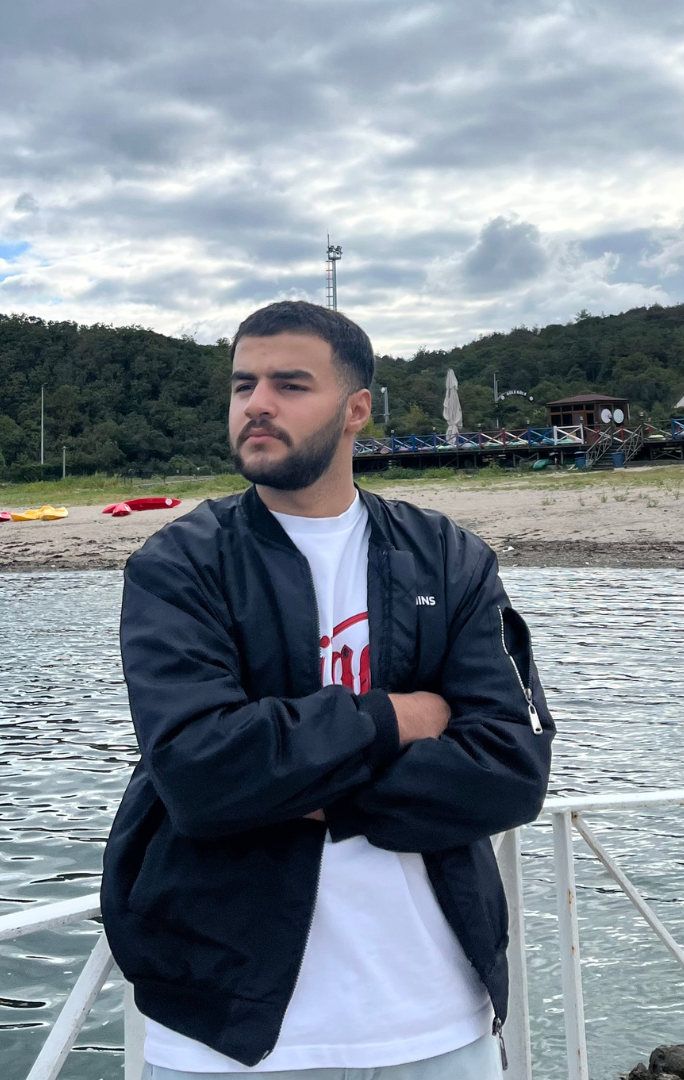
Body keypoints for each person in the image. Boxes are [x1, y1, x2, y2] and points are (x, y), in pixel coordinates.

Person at [101, 300, 554, 1079]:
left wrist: (295, 784)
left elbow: (511, 771)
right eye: (243, 385)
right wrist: (397, 718)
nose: (258, 404)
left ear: (355, 410)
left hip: (439, 1019)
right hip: (226, 1031)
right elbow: (201, 775)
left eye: (290, 384)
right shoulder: (179, 566)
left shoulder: (448, 559)